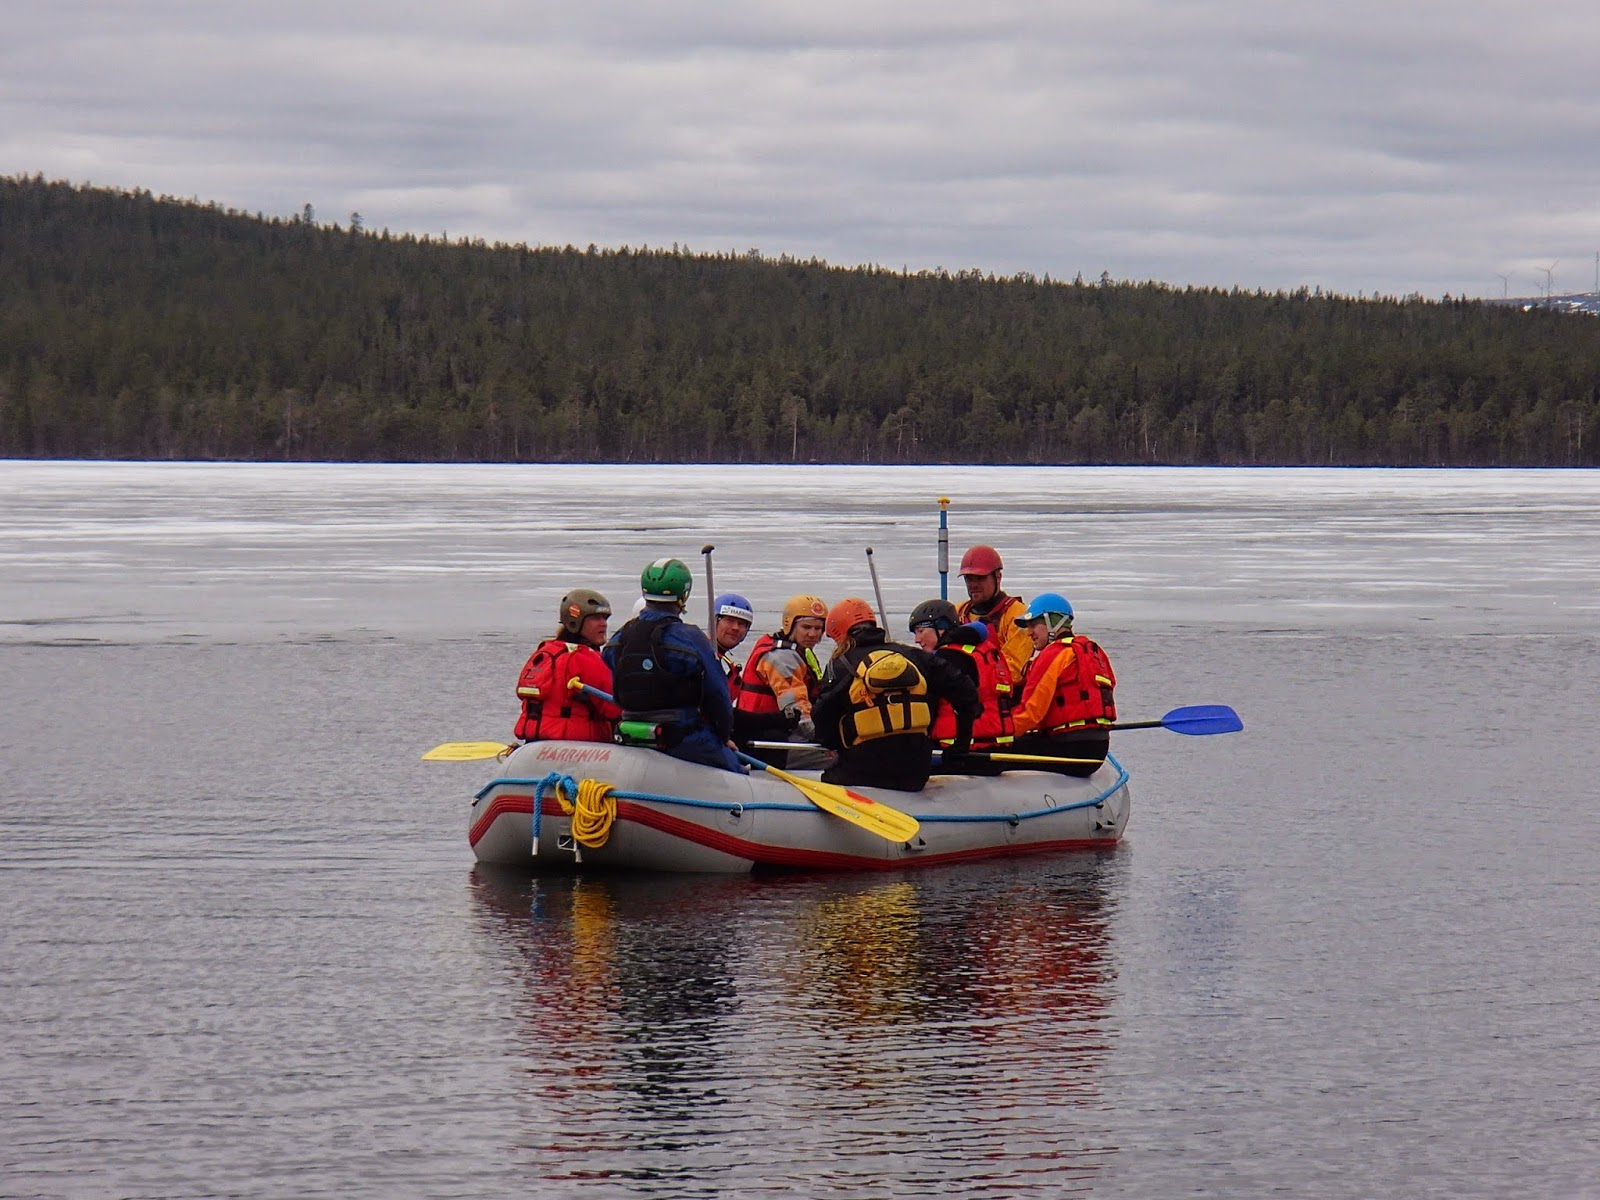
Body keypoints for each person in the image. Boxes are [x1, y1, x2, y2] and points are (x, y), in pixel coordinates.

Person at [813, 598, 980, 792]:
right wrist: (960, 747)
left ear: (840, 634)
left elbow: (822, 719)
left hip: (861, 772)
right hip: (916, 771)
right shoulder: (915, 656)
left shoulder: (840, 665)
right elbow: (967, 693)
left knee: (827, 778)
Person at [603, 558, 742, 773]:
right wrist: (723, 737)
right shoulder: (691, 638)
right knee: (736, 768)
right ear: (683, 595)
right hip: (684, 738)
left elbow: (610, 665)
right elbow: (718, 695)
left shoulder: (620, 637)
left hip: (629, 733)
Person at [1009, 592, 1117, 777]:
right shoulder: (1094, 652)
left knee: (992, 752)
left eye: (1033, 625)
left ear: (1052, 622)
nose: (1029, 633)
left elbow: (1029, 713)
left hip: (1070, 749)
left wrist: (997, 735)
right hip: (1098, 748)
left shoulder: (1054, 654)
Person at [908, 598, 1016, 761]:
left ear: (941, 628)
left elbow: (928, 708)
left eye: (920, 631)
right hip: (998, 749)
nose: (917, 639)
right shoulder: (986, 651)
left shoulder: (945, 659)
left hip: (959, 752)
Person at [513, 588, 622, 743]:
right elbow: (615, 710)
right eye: (595, 618)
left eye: (605, 618)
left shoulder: (544, 652)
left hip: (534, 744)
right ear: (575, 622)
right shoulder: (585, 659)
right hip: (576, 746)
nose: (603, 624)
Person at [736, 593, 828, 764]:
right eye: (806, 627)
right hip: (767, 742)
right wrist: (828, 737)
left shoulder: (800, 651)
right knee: (838, 758)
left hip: (775, 734)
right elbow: (797, 708)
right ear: (790, 625)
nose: (813, 634)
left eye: (818, 628)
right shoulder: (780, 658)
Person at [954, 544, 1034, 682]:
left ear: (998, 577)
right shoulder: (958, 611)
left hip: (1001, 691)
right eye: (969, 579)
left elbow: (1014, 670)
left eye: (980, 578)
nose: (973, 585)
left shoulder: (1017, 614)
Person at [710, 592, 755, 701]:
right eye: (729, 620)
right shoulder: (700, 656)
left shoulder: (721, 661)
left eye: (741, 624)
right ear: (714, 621)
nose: (735, 628)